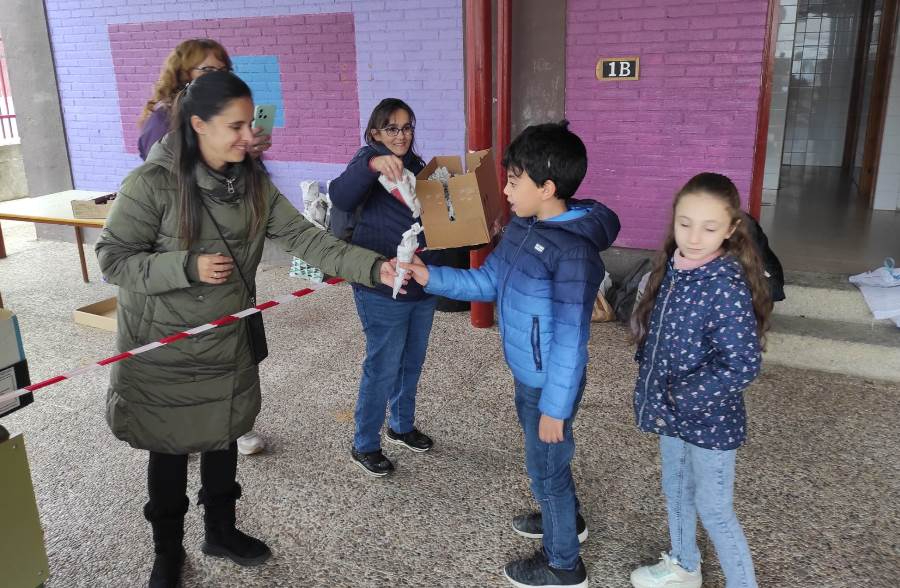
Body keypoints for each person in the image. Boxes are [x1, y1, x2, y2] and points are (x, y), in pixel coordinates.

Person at [95, 71, 403, 588]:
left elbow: (308, 239)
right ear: (198, 125)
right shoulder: (150, 184)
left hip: (226, 338)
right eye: (234, 126)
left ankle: (222, 530)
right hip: (165, 350)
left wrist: (377, 267)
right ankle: (167, 551)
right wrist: (185, 267)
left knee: (223, 437)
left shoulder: (251, 180)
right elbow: (112, 259)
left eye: (250, 122)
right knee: (169, 453)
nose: (249, 136)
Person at [402, 121, 620, 588]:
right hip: (529, 371)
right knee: (546, 463)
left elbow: (569, 342)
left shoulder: (572, 254)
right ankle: (568, 523)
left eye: (514, 180)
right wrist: (428, 277)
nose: (504, 188)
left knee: (547, 466)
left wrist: (556, 409)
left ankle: (564, 564)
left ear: (547, 187)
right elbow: (487, 282)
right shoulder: (524, 227)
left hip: (549, 382)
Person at [628, 173, 773, 588]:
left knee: (714, 510)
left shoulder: (724, 285)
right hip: (671, 414)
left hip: (710, 423)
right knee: (675, 489)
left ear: (730, 230)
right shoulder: (675, 269)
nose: (693, 237)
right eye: (684, 223)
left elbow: (742, 364)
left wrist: (681, 394)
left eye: (709, 228)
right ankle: (683, 565)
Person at [138, 38, 272, 455]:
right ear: (183, 76)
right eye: (206, 71)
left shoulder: (231, 122)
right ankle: (194, 427)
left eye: (222, 69)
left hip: (231, 245)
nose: (217, 77)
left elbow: (249, 183)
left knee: (234, 336)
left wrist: (249, 153)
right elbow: (167, 184)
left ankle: (234, 421)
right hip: (189, 241)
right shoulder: (163, 122)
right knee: (193, 342)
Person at [329, 98, 442, 477]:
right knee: (382, 365)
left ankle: (401, 425)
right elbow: (340, 194)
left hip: (420, 284)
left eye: (407, 127)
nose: (402, 135)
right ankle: (365, 444)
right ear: (375, 133)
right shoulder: (368, 164)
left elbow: (437, 220)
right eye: (392, 128)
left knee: (412, 360)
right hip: (381, 287)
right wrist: (372, 163)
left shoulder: (417, 167)